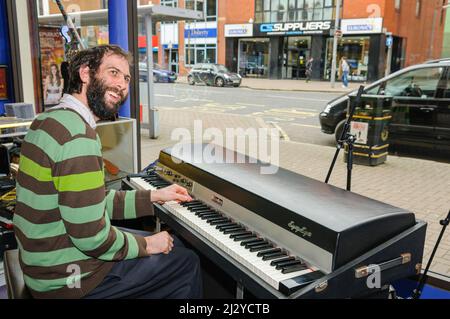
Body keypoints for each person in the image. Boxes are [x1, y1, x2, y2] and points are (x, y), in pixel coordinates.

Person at [14, 45, 203, 299]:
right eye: (113, 73)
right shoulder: (78, 137)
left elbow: (91, 202)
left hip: (43, 265)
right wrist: (148, 245)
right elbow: (92, 238)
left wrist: (154, 196)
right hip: (67, 279)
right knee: (185, 260)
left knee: (166, 244)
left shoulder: (47, 120)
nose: (122, 85)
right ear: (85, 74)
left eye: (126, 78)